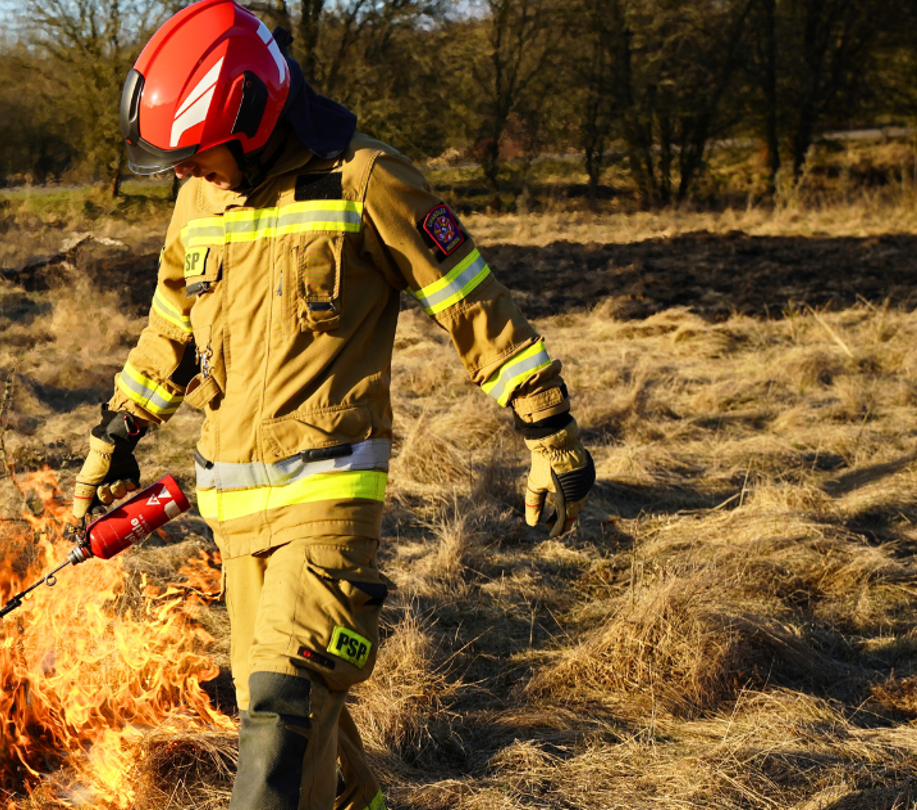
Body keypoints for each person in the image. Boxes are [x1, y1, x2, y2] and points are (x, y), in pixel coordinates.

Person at [68, 2, 597, 808]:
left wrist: (546, 427)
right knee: (288, 721)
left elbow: (470, 302)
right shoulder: (199, 204)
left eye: (193, 153)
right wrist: (119, 434)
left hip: (327, 502)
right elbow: (170, 330)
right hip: (233, 513)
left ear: (248, 119)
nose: (181, 171)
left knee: (281, 722)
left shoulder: (365, 180)